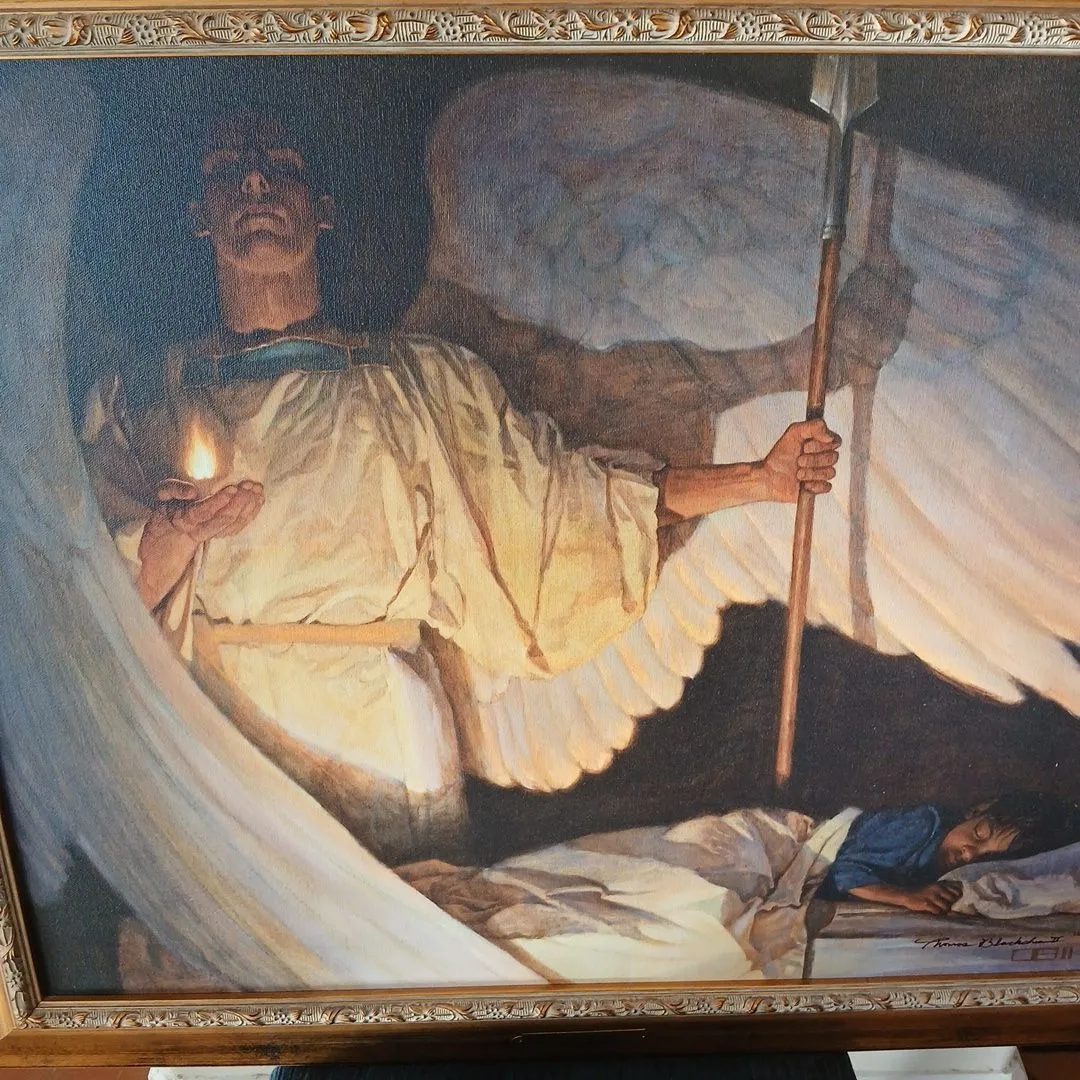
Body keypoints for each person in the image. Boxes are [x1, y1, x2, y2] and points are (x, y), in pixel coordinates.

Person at [82, 111, 900, 868]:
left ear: (322, 210)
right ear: (199, 215)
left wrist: (759, 478)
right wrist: (175, 535)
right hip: (218, 731)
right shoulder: (144, 399)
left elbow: (565, 511)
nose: (256, 183)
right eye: (229, 170)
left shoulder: (420, 383)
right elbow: (96, 601)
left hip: (378, 732)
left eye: (279, 167)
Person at [816, 791, 1080, 914]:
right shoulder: (923, 825)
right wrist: (906, 897)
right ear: (977, 811)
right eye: (980, 834)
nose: (969, 854)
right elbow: (842, 870)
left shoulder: (949, 873)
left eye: (987, 858)